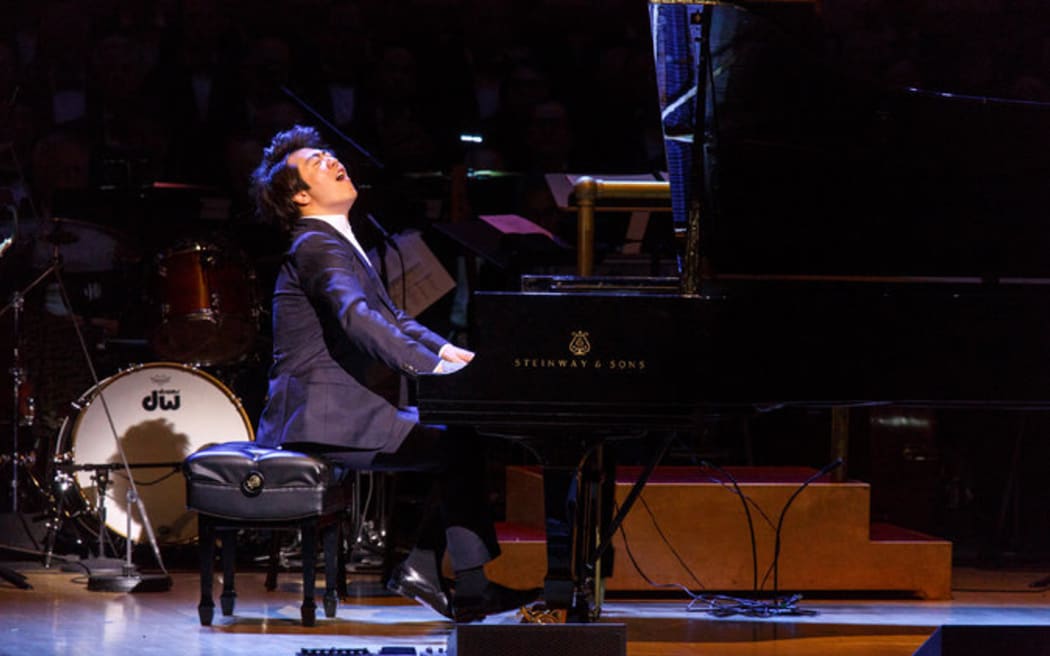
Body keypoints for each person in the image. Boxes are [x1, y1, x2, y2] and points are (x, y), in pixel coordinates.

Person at [248, 124, 539, 622]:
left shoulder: (335, 239)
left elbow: (394, 318)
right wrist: (429, 367)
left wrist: (450, 353)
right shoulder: (316, 246)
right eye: (317, 163)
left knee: (459, 441)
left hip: (339, 408)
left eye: (331, 155)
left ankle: (439, 574)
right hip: (321, 417)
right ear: (298, 195)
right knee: (456, 446)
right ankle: (454, 581)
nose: (334, 162)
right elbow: (357, 316)